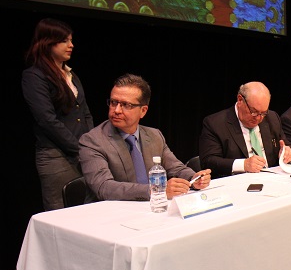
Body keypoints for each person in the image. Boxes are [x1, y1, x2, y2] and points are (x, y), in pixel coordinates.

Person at [79, 73, 211, 202]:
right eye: (114, 102)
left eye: (126, 105)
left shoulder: (154, 135)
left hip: (150, 207)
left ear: (143, 111)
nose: (117, 110)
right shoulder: (92, 141)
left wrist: (193, 178)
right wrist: (156, 190)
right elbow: (104, 187)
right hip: (109, 211)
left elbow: (176, 168)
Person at [22, 18, 94, 211]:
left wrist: (90, 143)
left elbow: (85, 112)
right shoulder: (35, 76)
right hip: (56, 156)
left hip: (82, 154)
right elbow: (46, 119)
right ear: (47, 43)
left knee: (86, 211)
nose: (71, 45)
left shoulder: (71, 75)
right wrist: (78, 147)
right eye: (64, 41)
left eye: (71, 40)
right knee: (60, 214)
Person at [198, 81, 291, 178]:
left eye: (263, 113)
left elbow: (288, 145)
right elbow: (208, 161)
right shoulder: (215, 123)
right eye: (254, 112)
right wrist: (243, 165)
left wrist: (289, 153)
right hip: (236, 182)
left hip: (272, 179)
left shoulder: (272, 118)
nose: (258, 118)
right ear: (240, 100)